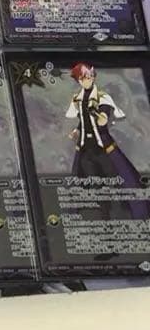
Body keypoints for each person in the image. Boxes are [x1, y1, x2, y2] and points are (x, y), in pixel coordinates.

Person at [64, 62, 150, 220]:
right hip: (85, 148)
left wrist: (99, 115)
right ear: (79, 80)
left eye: (90, 76)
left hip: (103, 147)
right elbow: (83, 120)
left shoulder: (102, 97)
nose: (88, 80)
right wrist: (77, 131)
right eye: (83, 78)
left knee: (117, 179)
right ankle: (103, 217)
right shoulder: (78, 99)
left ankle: (131, 212)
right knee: (92, 184)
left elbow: (104, 118)